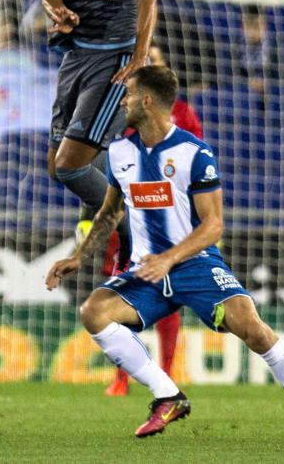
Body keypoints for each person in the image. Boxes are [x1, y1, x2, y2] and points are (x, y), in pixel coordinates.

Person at [46, 64, 284, 443]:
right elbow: (110, 211)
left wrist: (170, 259)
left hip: (194, 266)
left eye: (130, 94)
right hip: (146, 271)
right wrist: (79, 256)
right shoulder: (120, 150)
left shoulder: (193, 153)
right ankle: (168, 395)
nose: (124, 101)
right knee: (94, 311)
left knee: (253, 330)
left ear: (148, 101)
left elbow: (213, 225)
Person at [39, 0, 158, 282]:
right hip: (74, 57)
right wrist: (57, 9)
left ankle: (129, 221)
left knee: (71, 165)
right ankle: (120, 196)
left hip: (115, 59)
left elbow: (149, 2)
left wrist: (140, 58)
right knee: (58, 167)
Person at [104, 42, 202, 396]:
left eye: (154, 61)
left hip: (172, 224)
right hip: (132, 222)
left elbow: (195, 168)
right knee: (121, 296)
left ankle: (169, 371)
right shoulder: (123, 115)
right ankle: (120, 378)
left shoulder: (185, 114)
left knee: (169, 295)